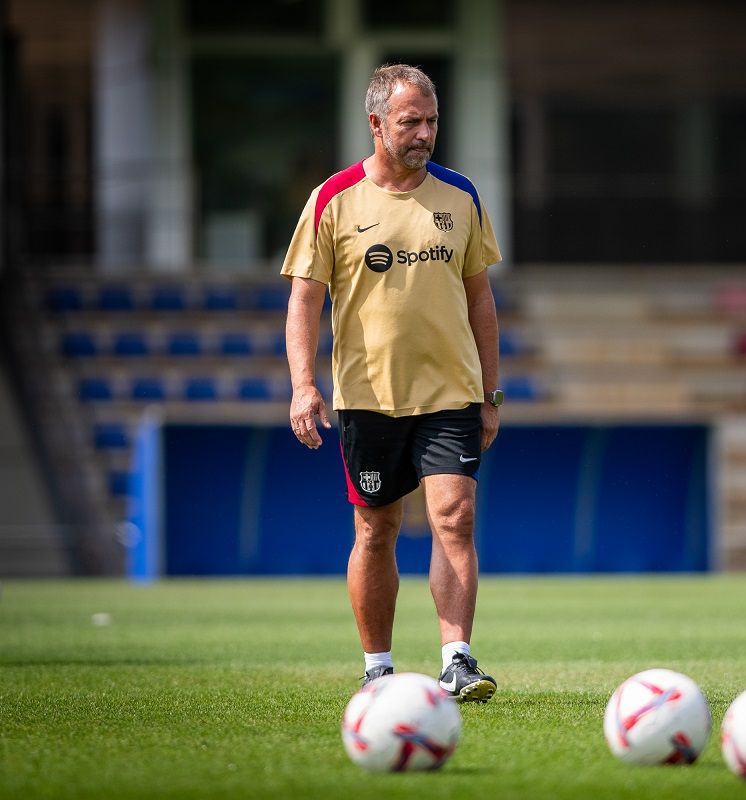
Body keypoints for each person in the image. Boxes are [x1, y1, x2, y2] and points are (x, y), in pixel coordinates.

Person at [281, 63, 503, 702]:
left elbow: (480, 298)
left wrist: (491, 392)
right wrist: (303, 385)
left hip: (451, 393)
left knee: (454, 517)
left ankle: (457, 659)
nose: (425, 133)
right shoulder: (333, 198)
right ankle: (378, 667)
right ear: (375, 124)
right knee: (376, 529)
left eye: (432, 120)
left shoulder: (460, 196)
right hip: (367, 398)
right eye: (411, 121)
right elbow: (304, 300)